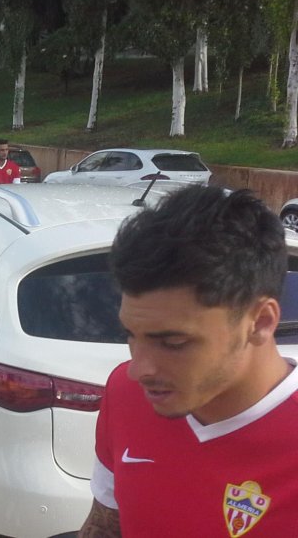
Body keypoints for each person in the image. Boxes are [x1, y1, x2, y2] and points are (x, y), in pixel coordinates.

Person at [80, 185, 297, 537]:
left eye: (174, 343)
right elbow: (106, 526)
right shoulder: (125, 392)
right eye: (130, 336)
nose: (139, 369)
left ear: (260, 322)